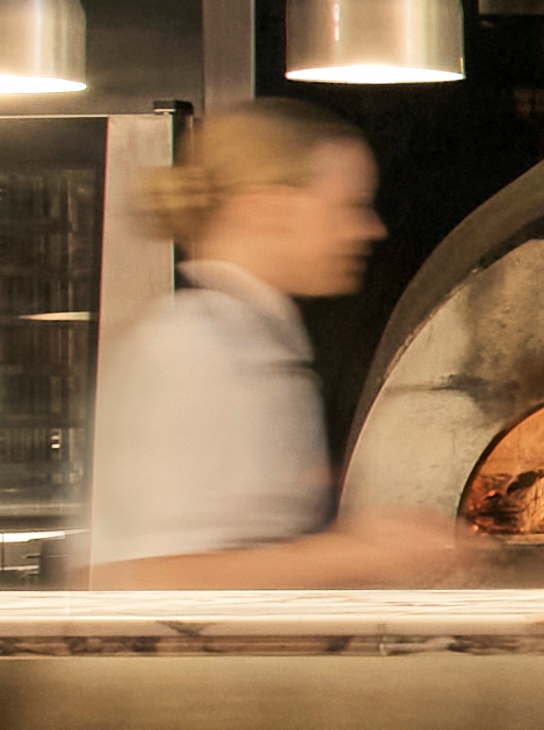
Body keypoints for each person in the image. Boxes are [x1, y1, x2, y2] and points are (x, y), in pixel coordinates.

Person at [75, 94, 483, 589]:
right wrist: (363, 556)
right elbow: (138, 580)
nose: (369, 229)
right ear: (268, 210)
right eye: (348, 207)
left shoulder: (253, 339)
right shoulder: (190, 348)